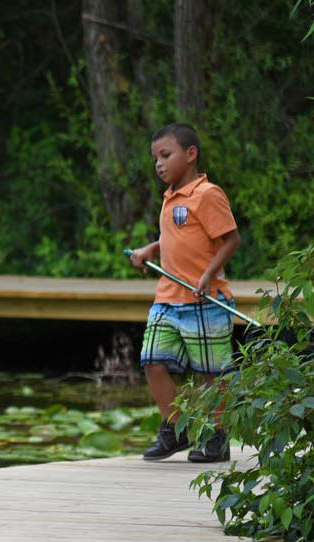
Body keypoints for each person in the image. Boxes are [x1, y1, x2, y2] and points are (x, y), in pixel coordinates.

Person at [128, 123, 240, 463]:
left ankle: (217, 437)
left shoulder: (208, 194)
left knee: (211, 372)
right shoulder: (170, 196)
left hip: (203, 301)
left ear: (190, 154)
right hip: (168, 297)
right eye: (154, 158)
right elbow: (178, 238)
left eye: (165, 155)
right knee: (152, 361)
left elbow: (230, 239)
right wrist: (151, 249)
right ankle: (176, 429)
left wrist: (208, 274)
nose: (158, 164)